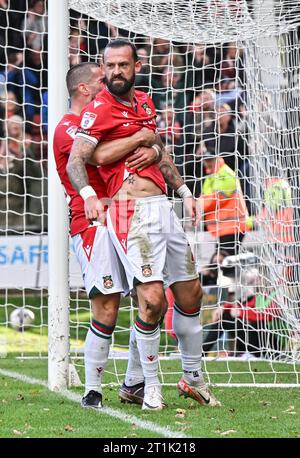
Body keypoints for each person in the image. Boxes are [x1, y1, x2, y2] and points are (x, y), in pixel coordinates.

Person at [67, 39, 221, 410]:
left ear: (137, 65)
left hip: (163, 208)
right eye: (110, 66)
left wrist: (184, 192)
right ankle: (149, 387)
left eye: (123, 65)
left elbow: (160, 153)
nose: (116, 72)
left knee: (191, 294)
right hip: (126, 212)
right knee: (151, 300)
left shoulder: (146, 102)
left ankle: (193, 375)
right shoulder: (98, 109)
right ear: (103, 70)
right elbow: (79, 161)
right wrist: (89, 195)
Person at [53, 62, 160, 409]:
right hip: (93, 224)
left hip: (127, 216)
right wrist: (139, 139)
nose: (109, 83)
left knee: (150, 298)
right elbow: (97, 159)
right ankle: (92, 391)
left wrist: (154, 148)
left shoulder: (108, 122)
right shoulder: (69, 128)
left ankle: (133, 382)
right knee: (107, 306)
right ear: (85, 89)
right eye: (101, 79)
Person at [197, 146, 250, 256]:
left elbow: (213, 200)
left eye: (210, 159)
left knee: (222, 261)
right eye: (205, 160)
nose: (207, 163)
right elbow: (204, 198)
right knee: (223, 262)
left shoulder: (227, 174)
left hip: (233, 226)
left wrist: (196, 205)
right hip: (223, 228)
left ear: (218, 159)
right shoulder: (211, 177)